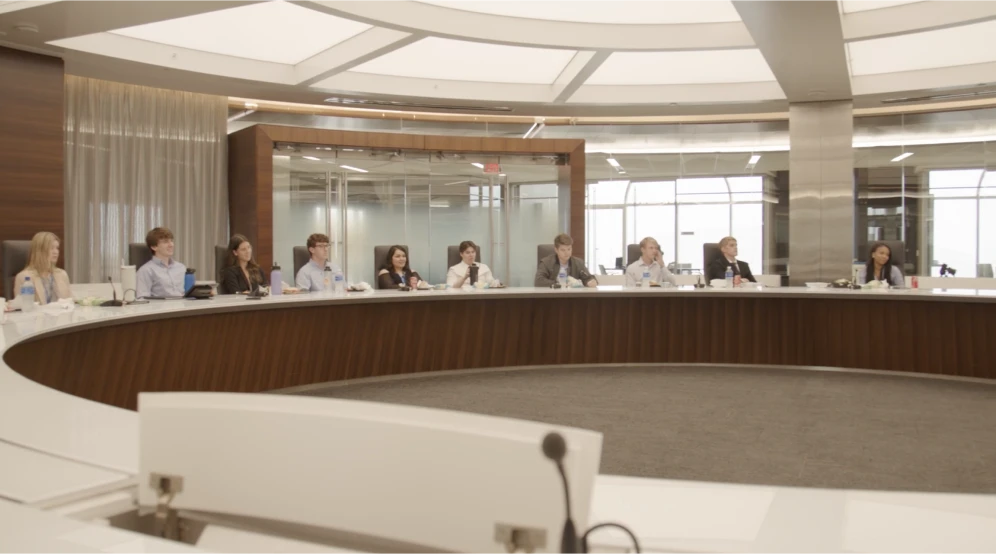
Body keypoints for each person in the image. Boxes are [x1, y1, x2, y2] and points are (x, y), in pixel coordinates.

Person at [13, 231, 71, 305]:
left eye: (57, 248)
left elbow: (70, 302)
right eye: (51, 248)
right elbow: (22, 308)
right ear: (39, 251)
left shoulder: (62, 274)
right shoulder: (23, 277)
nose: (56, 252)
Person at [136, 227, 186, 298]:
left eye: (171, 241)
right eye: (165, 242)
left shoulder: (181, 267)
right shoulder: (145, 271)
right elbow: (142, 299)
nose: (171, 245)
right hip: (160, 308)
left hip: (184, 307)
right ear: (154, 247)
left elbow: (188, 295)